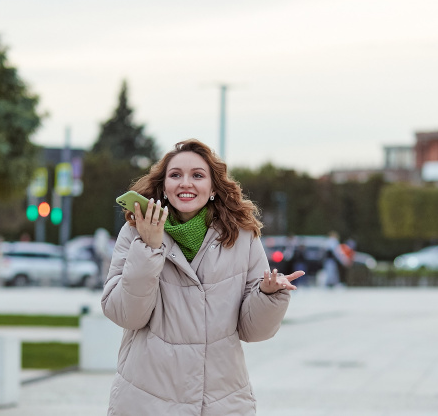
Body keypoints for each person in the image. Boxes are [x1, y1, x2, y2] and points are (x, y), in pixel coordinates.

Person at [101, 139, 304, 415]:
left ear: (212, 189)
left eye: (197, 175)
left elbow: (254, 331)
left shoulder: (242, 235)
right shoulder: (135, 232)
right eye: (176, 175)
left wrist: (268, 295)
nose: (186, 183)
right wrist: (148, 248)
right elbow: (126, 315)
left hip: (221, 402)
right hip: (147, 400)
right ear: (163, 187)